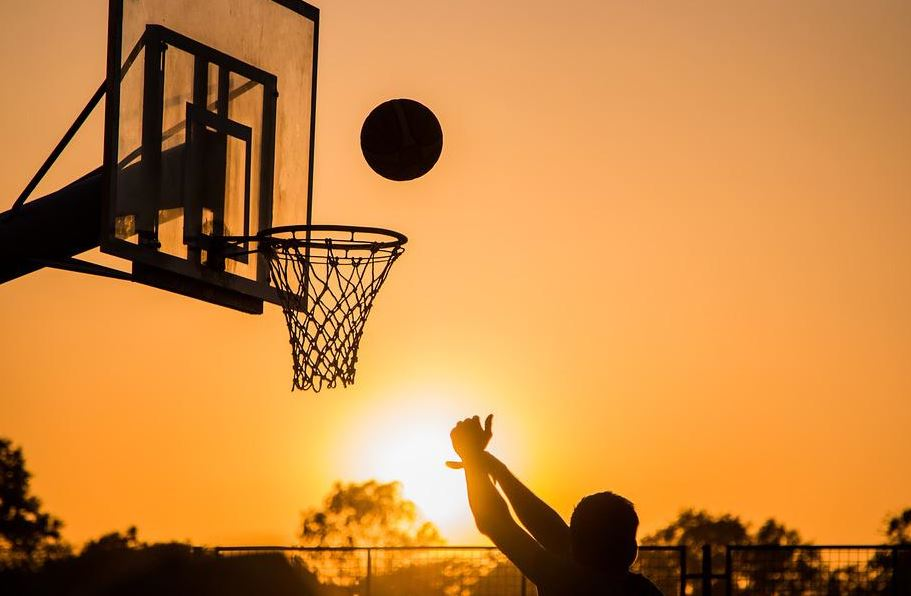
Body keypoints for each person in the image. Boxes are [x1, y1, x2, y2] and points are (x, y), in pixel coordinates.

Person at [448, 415, 663, 595]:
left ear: (578, 546)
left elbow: (494, 522)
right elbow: (551, 531)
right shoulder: (642, 590)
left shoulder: (568, 581)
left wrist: (471, 457)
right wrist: (494, 468)